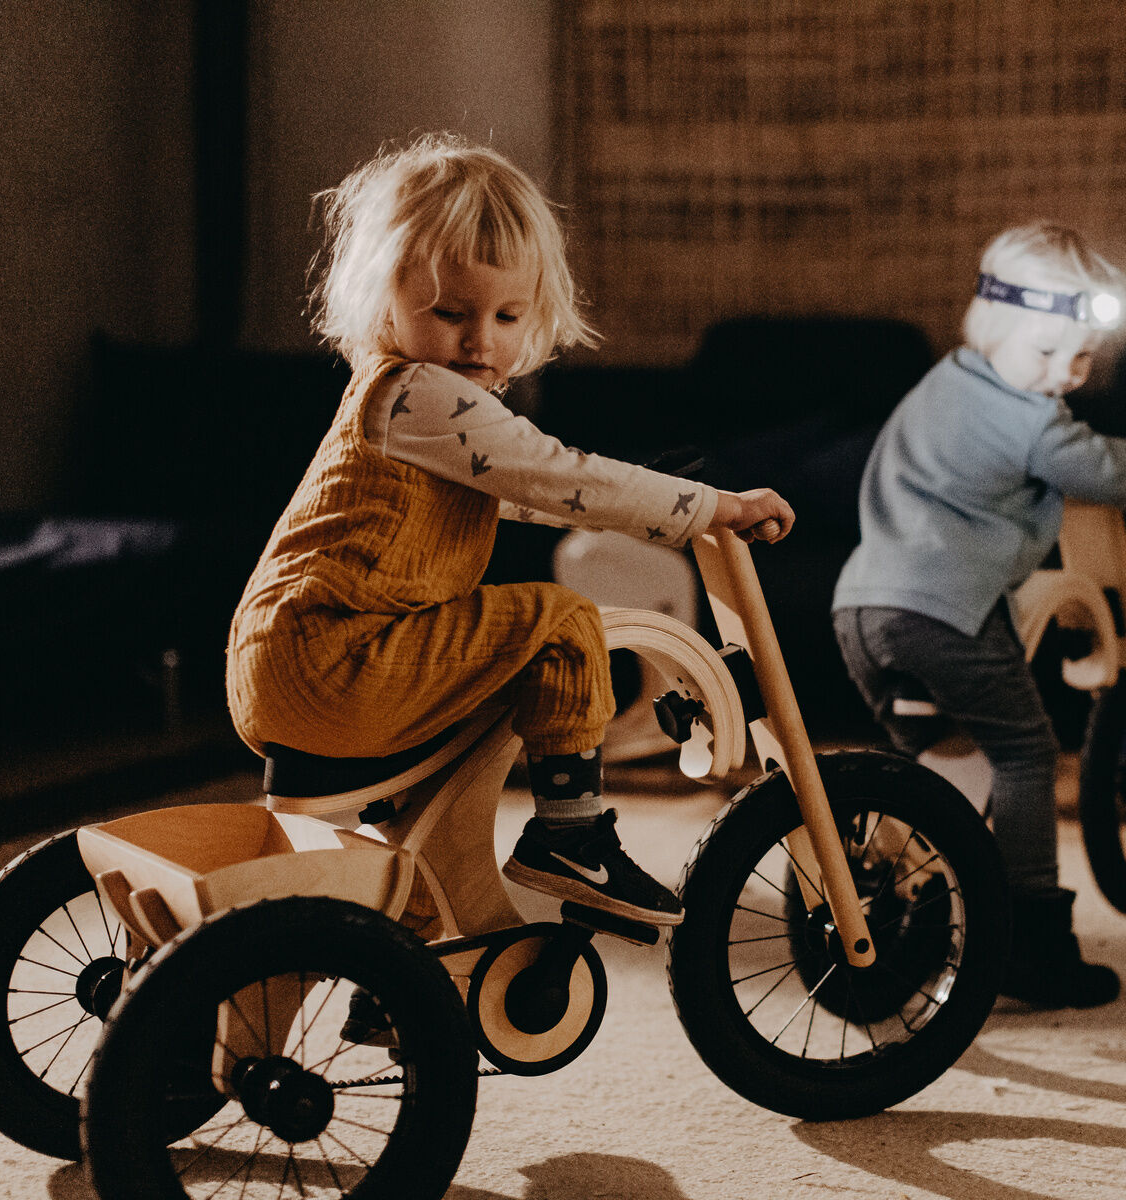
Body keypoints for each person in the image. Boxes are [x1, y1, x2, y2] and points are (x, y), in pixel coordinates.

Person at [225, 132, 794, 928]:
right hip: (336, 659)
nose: (480, 340)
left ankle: (403, 976)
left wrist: (661, 495)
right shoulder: (418, 391)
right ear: (384, 300)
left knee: (425, 825)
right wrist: (715, 506)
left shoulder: (415, 406)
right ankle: (572, 836)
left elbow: (536, 493)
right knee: (560, 622)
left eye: (506, 315)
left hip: (300, 659)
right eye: (450, 313)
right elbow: (556, 475)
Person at [832, 221, 1126, 1008]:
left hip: (864, 610)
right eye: (1045, 352)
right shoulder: (1029, 418)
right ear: (990, 324)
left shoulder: (945, 384)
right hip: (944, 614)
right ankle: (1031, 942)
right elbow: (1102, 470)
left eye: (1082, 357)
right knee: (1026, 752)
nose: (1063, 373)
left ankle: (906, 919)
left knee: (944, 767)